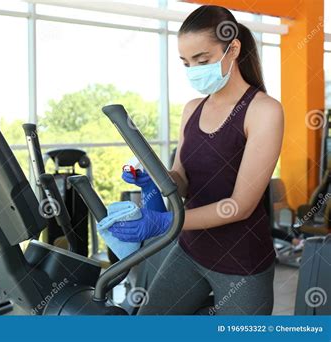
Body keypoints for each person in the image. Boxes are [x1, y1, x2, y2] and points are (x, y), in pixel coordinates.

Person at [108, 5, 284, 315]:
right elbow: (183, 179)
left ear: (233, 49)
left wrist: (165, 222)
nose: (193, 70)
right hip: (190, 250)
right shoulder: (192, 109)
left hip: (241, 262)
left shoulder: (263, 111)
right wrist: (159, 180)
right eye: (186, 63)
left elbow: (239, 206)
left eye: (202, 60)